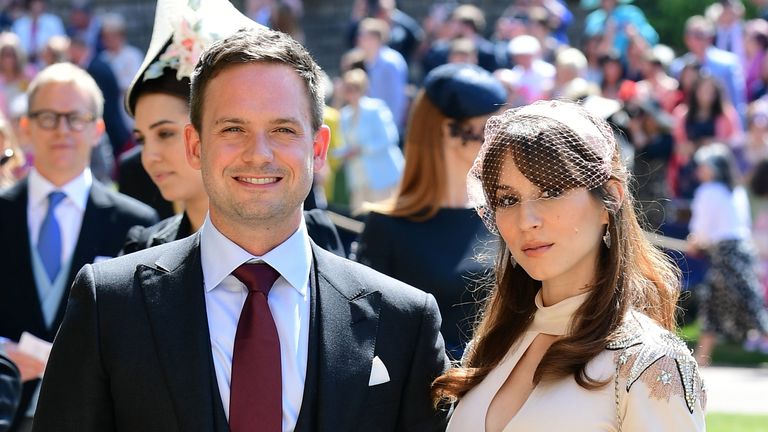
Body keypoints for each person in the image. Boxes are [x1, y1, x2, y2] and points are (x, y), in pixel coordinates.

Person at [33, 27, 449, 432]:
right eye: (233, 129)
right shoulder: (109, 304)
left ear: (318, 149)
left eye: (283, 130)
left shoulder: (403, 319)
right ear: (195, 146)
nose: (259, 154)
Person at [432, 100, 706, 430]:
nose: (526, 220)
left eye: (550, 191)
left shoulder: (648, 362)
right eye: (508, 199)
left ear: (610, 200)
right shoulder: (491, 345)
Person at [0, 62, 158, 431]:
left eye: (76, 118)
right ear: (25, 127)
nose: (62, 130)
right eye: (48, 117)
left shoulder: (136, 222)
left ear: (97, 128)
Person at [120, 0, 344, 258]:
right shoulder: (141, 255)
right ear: (196, 144)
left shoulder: (319, 243)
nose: (150, 157)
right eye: (234, 129)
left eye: (165, 133)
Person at [356, 63, 506, 359]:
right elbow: (369, 334)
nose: (500, 142)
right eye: (491, 128)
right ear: (450, 131)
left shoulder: (503, 214)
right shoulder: (387, 227)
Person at [687, 143, 768, 363]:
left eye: (703, 166)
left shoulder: (708, 190)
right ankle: (702, 358)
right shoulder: (736, 189)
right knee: (713, 304)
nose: (699, 171)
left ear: (713, 167)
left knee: (750, 306)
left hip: (726, 253)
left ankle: (703, 357)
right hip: (739, 250)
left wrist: (696, 241)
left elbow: (702, 230)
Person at [336, 68, 403, 214]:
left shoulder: (376, 108)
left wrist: (361, 149)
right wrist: (341, 154)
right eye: (347, 88)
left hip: (382, 176)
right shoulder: (345, 115)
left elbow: (390, 138)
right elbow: (343, 145)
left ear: (362, 88)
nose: (351, 92)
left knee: (385, 218)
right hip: (358, 178)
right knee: (360, 220)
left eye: (355, 88)